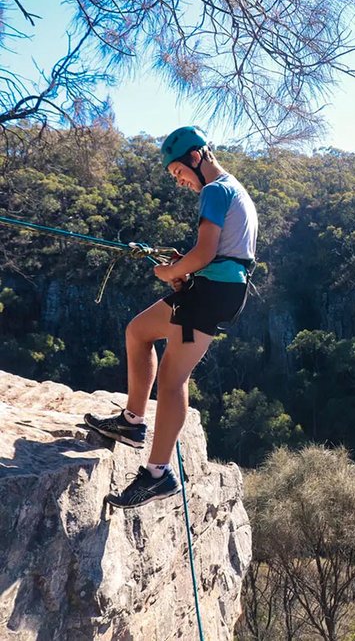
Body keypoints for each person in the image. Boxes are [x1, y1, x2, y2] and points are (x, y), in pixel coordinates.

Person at [85, 126, 258, 508]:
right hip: (215, 288)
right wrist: (187, 270)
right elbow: (220, 254)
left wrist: (170, 272)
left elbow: (206, 252)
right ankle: (132, 423)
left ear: (196, 157)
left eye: (178, 171)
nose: (179, 181)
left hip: (212, 293)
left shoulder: (215, 191)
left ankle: (157, 474)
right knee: (139, 331)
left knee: (172, 378)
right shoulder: (234, 189)